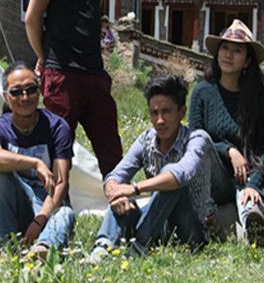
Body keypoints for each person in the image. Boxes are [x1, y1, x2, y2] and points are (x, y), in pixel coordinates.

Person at [24, 0, 123, 177]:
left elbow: (93, 16)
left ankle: (119, 201)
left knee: (112, 151)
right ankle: (54, 203)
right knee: (59, 154)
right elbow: (32, 18)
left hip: (94, 74)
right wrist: (44, 56)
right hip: (62, 73)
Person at [84, 75, 214, 262]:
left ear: (182, 112)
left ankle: (139, 246)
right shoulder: (146, 139)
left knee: (170, 178)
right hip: (156, 224)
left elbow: (181, 174)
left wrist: (134, 188)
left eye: (166, 112)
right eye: (154, 113)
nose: (159, 120)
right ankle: (102, 248)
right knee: (121, 196)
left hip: (191, 229)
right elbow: (116, 175)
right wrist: (115, 192)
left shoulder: (197, 139)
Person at [189, 19, 264, 245]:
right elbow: (194, 141)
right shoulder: (202, 93)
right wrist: (229, 150)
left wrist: (253, 184)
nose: (228, 55)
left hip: (246, 177)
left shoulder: (260, 100)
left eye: (237, 50)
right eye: (225, 47)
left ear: (247, 60)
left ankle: (252, 220)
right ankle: (242, 219)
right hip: (214, 179)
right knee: (200, 139)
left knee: (247, 201)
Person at [0, 63, 76, 259]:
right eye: (16, 92)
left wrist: (39, 221)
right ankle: (7, 243)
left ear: (39, 91)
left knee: (66, 214)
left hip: (47, 207)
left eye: (31, 89)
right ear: (6, 97)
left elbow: (60, 183)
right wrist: (35, 163)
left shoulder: (57, 127)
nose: (24, 97)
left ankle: (42, 249)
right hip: (19, 203)